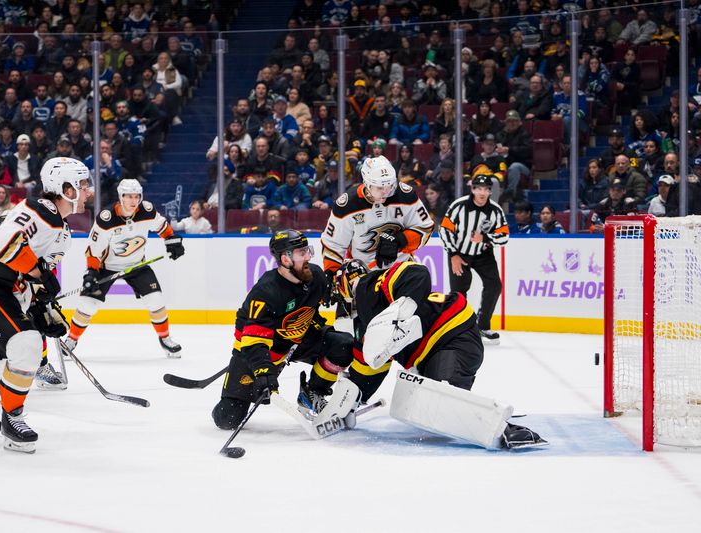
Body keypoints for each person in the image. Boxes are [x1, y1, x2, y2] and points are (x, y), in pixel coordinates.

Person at [0, 157, 92, 453]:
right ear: (65, 188)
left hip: (1, 289)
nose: (88, 190)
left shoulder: (63, 234)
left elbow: (29, 276)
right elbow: (5, 245)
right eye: (82, 184)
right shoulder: (37, 209)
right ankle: (12, 420)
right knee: (26, 343)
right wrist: (40, 275)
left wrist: (42, 305)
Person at [331, 258, 544, 449]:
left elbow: (417, 272)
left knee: (443, 397)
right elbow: (370, 367)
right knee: (430, 407)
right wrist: (353, 400)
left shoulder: (370, 286)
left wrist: (403, 309)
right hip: (439, 348)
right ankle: (482, 415)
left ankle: (504, 429)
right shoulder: (369, 325)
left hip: (452, 336)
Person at [211, 229, 356, 430]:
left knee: (344, 345)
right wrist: (264, 371)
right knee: (227, 419)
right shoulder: (266, 291)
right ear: (285, 259)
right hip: (264, 349)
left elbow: (316, 303)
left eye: (308, 250)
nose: (308, 257)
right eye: (301, 253)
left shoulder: (316, 277)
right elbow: (254, 341)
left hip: (300, 339)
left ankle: (312, 393)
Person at [65, 179, 185, 357]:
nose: (133, 200)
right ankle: (71, 340)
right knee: (88, 305)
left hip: (137, 265)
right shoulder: (106, 218)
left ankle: (165, 339)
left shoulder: (147, 211)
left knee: (156, 301)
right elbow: (93, 250)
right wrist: (90, 273)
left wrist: (171, 240)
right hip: (107, 267)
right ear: (121, 197)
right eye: (129, 196)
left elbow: (162, 226)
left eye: (136, 196)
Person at [320, 155, 434, 298]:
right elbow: (333, 244)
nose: (386, 192)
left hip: (401, 270)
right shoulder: (347, 205)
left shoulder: (405, 195)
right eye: (380, 187)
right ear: (367, 183)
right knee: (366, 319)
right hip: (363, 276)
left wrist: (400, 241)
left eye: (390, 185)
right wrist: (331, 274)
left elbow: (426, 228)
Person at [439, 175, 509, 344]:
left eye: (486, 189)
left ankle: (482, 326)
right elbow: (444, 230)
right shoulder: (459, 206)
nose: (482, 192)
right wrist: (453, 254)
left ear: (490, 191)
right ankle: (457, 329)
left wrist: (485, 238)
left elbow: (504, 237)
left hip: (483, 254)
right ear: (472, 189)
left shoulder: (495, 210)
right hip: (459, 253)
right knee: (458, 292)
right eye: (478, 188)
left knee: (494, 285)